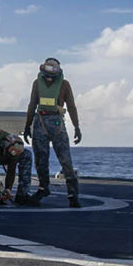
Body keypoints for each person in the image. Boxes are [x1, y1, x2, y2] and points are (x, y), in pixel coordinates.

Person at [23, 58, 82, 208]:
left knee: (66, 160)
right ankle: (43, 189)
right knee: (40, 160)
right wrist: (27, 126)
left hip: (56, 123)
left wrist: (76, 126)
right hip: (40, 122)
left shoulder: (64, 84)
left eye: (53, 68)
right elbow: (32, 105)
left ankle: (72, 195)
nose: (50, 73)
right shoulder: (37, 84)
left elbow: (72, 106)